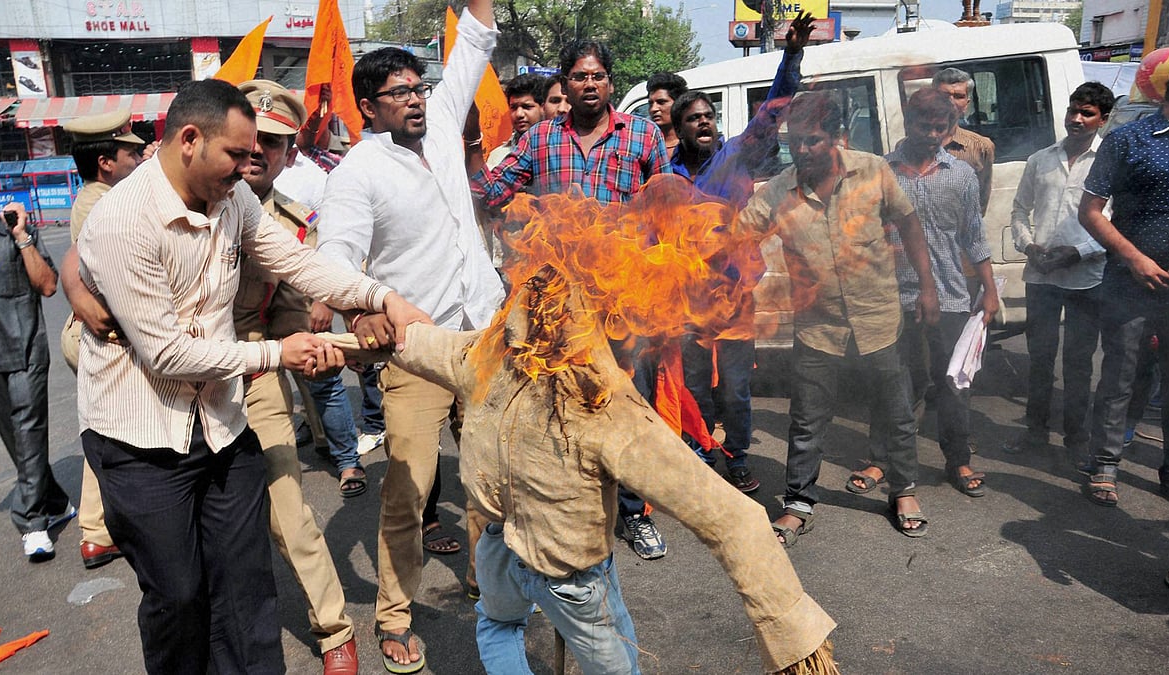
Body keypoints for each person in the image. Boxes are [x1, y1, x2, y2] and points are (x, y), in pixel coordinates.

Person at [76, 78, 424, 674]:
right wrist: (277, 355)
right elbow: (167, 355)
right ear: (189, 140)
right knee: (178, 595)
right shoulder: (124, 221)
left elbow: (296, 262)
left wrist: (380, 297)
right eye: (237, 153)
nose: (248, 165)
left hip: (221, 421)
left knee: (246, 585)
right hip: (142, 439)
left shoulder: (232, 199)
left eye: (261, 150)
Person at [355, 271, 840, 675]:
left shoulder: (483, 355)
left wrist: (349, 335)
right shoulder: (599, 404)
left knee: (498, 625)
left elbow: (409, 341)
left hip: (502, 552)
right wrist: (793, 636)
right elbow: (732, 518)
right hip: (563, 575)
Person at [316, 1, 502, 670]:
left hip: (482, 335)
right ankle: (393, 617)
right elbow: (333, 259)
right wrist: (361, 306)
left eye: (419, 87)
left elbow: (476, 36)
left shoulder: (445, 121)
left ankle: (490, 582)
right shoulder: (356, 174)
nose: (416, 100)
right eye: (399, 93)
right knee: (409, 488)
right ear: (368, 107)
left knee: (490, 476)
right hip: (416, 352)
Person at [472, 38, 673, 561]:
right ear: (565, 83)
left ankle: (634, 512)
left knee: (630, 403)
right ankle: (572, 508)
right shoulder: (541, 138)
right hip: (556, 301)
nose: (589, 84)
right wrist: (470, 148)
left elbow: (666, 208)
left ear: (610, 81)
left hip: (622, 298)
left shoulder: (643, 134)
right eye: (579, 76)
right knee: (561, 401)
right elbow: (493, 193)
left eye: (597, 75)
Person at [737, 92, 940, 543]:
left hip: (878, 318)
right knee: (807, 420)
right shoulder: (779, 190)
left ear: (837, 138)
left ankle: (904, 491)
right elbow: (739, 233)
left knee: (896, 412)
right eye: (794, 141)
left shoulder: (873, 170)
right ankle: (798, 502)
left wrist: (927, 287)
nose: (802, 149)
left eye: (812, 140)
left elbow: (909, 224)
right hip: (817, 326)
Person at [234, 79, 361, 673]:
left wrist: (311, 347)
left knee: (287, 507)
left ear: (289, 155)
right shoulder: (183, 198)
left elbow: (286, 312)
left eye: (274, 142)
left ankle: (334, 629)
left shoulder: (289, 223)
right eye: (252, 136)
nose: (258, 150)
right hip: (169, 372)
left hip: (253, 369)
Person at [668, 12, 812, 495]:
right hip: (686, 302)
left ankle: (738, 457)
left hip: (732, 298)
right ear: (679, 129)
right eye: (694, 119)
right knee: (693, 385)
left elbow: (771, 113)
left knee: (734, 387)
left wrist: (792, 56)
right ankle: (700, 455)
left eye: (708, 116)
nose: (704, 123)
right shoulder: (666, 174)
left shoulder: (735, 156)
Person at [864, 87, 998, 504]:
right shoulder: (881, 172)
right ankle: (880, 459)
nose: (934, 135)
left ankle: (958, 459)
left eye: (942, 128)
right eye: (926, 126)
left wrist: (990, 291)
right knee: (894, 381)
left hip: (950, 296)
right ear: (908, 122)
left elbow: (974, 237)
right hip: (891, 297)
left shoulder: (961, 175)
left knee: (952, 382)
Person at [1077, 68, 1169, 508]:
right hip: (1129, 278)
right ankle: (1104, 463)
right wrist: (1134, 258)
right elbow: (1090, 211)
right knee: (1120, 374)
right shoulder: (1129, 139)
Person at [1005, 82, 1115, 456]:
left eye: (1087, 113)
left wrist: (1079, 252)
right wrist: (1028, 245)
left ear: (1103, 119)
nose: (1076, 119)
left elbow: (1116, 224)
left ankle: (1076, 439)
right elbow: (1019, 211)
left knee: (1079, 362)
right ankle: (1035, 432)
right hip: (1041, 276)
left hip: (1087, 278)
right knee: (1040, 357)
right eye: (1073, 110)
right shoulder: (1041, 160)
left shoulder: (1109, 162)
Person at [61, 109, 146, 569]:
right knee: (111, 433)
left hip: (95, 327)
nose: (139, 157)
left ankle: (97, 531)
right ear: (105, 163)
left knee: (108, 427)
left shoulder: (98, 195)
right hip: (103, 330)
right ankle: (98, 530)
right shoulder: (103, 203)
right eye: (130, 152)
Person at [0, 163, 72, 562]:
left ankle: (32, 523)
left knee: (29, 434)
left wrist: (22, 238)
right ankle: (56, 502)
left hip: (26, 351)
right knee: (16, 442)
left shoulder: (16, 231)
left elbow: (47, 285)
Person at [933, 68, 995, 216]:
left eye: (958, 96)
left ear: (966, 104)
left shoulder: (982, 147)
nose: (950, 102)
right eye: (944, 96)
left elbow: (980, 204)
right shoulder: (908, 147)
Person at [487, 73, 546, 168]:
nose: (519, 114)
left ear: (544, 108)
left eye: (526, 107)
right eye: (513, 107)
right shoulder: (498, 156)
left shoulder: (560, 150)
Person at [646, 71, 687, 154]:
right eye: (651, 104)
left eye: (661, 102)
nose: (653, 109)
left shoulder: (692, 144)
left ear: (678, 104)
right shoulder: (644, 146)